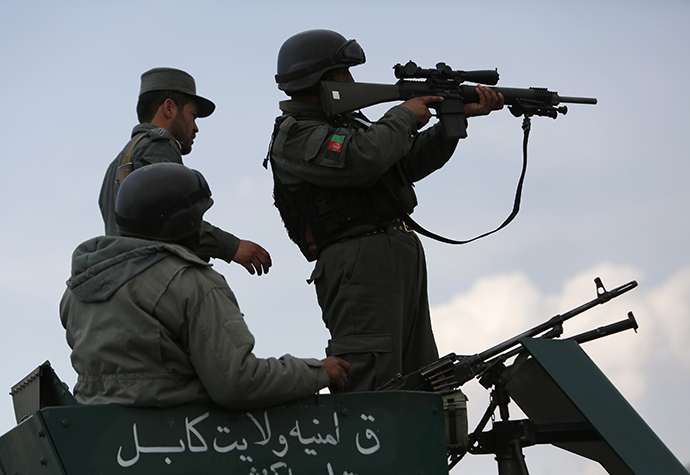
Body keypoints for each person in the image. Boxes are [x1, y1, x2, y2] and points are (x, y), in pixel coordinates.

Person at [266, 29, 504, 391]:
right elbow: (364, 157)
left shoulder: (348, 124)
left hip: (395, 254)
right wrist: (404, 115)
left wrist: (453, 120)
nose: (351, 81)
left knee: (421, 378)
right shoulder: (296, 134)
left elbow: (403, 164)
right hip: (358, 264)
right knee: (372, 380)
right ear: (316, 80)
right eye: (342, 73)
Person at [61, 162, 350, 409]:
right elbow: (237, 382)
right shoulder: (190, 283)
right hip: (183, 442)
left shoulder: (77, 292)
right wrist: (318, 372)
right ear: (183, 223)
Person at [99, 67, 271, 276]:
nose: (196, 127)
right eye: (193, 115)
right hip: (155, 277)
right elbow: (170, 219)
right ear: (169, 108)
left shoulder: (117, 163)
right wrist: (233, 247)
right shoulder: (159, 145)